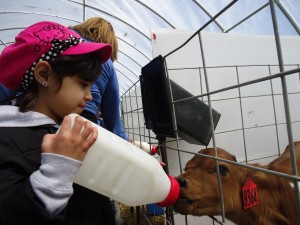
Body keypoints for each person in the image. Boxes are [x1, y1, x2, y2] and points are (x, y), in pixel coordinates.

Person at [0, 21, 117, 224]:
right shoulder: (7, 140)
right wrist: (58, 169)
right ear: (45, 75)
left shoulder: (67, 130)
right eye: (83, 84)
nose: (90, 97)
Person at [69, 17, 129, 141]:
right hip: (84, 118)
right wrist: (130, 149)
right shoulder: (106, 62)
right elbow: (113, 119)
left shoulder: (64, 40)